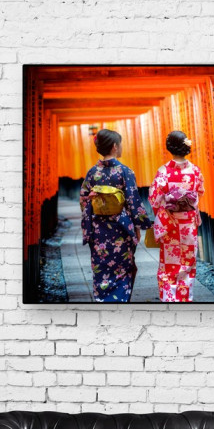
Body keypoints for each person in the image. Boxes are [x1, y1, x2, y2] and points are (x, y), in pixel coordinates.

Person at [80, 129, 152, 302]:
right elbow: (133, 201)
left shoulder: (92, 173)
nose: (121, 147)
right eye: (120, 144)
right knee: (122, 268)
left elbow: (83, 199)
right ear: (114, 146)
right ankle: (119, 301)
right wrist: (141, 224)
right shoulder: (125, 172)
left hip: (98, 230)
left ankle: (102, 300)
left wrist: (92, 212)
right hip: (121, 229)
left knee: (101, 267)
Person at [149, 130, 205, 302]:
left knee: (169, 263)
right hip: (188, 224)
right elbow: (200, 192)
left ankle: (169, 298)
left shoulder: (163, 171)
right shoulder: (195, 171)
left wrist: (163, 210)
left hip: (170, 224)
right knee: (187, 262)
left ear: (169, 148)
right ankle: (185, 297)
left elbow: (154, 199)